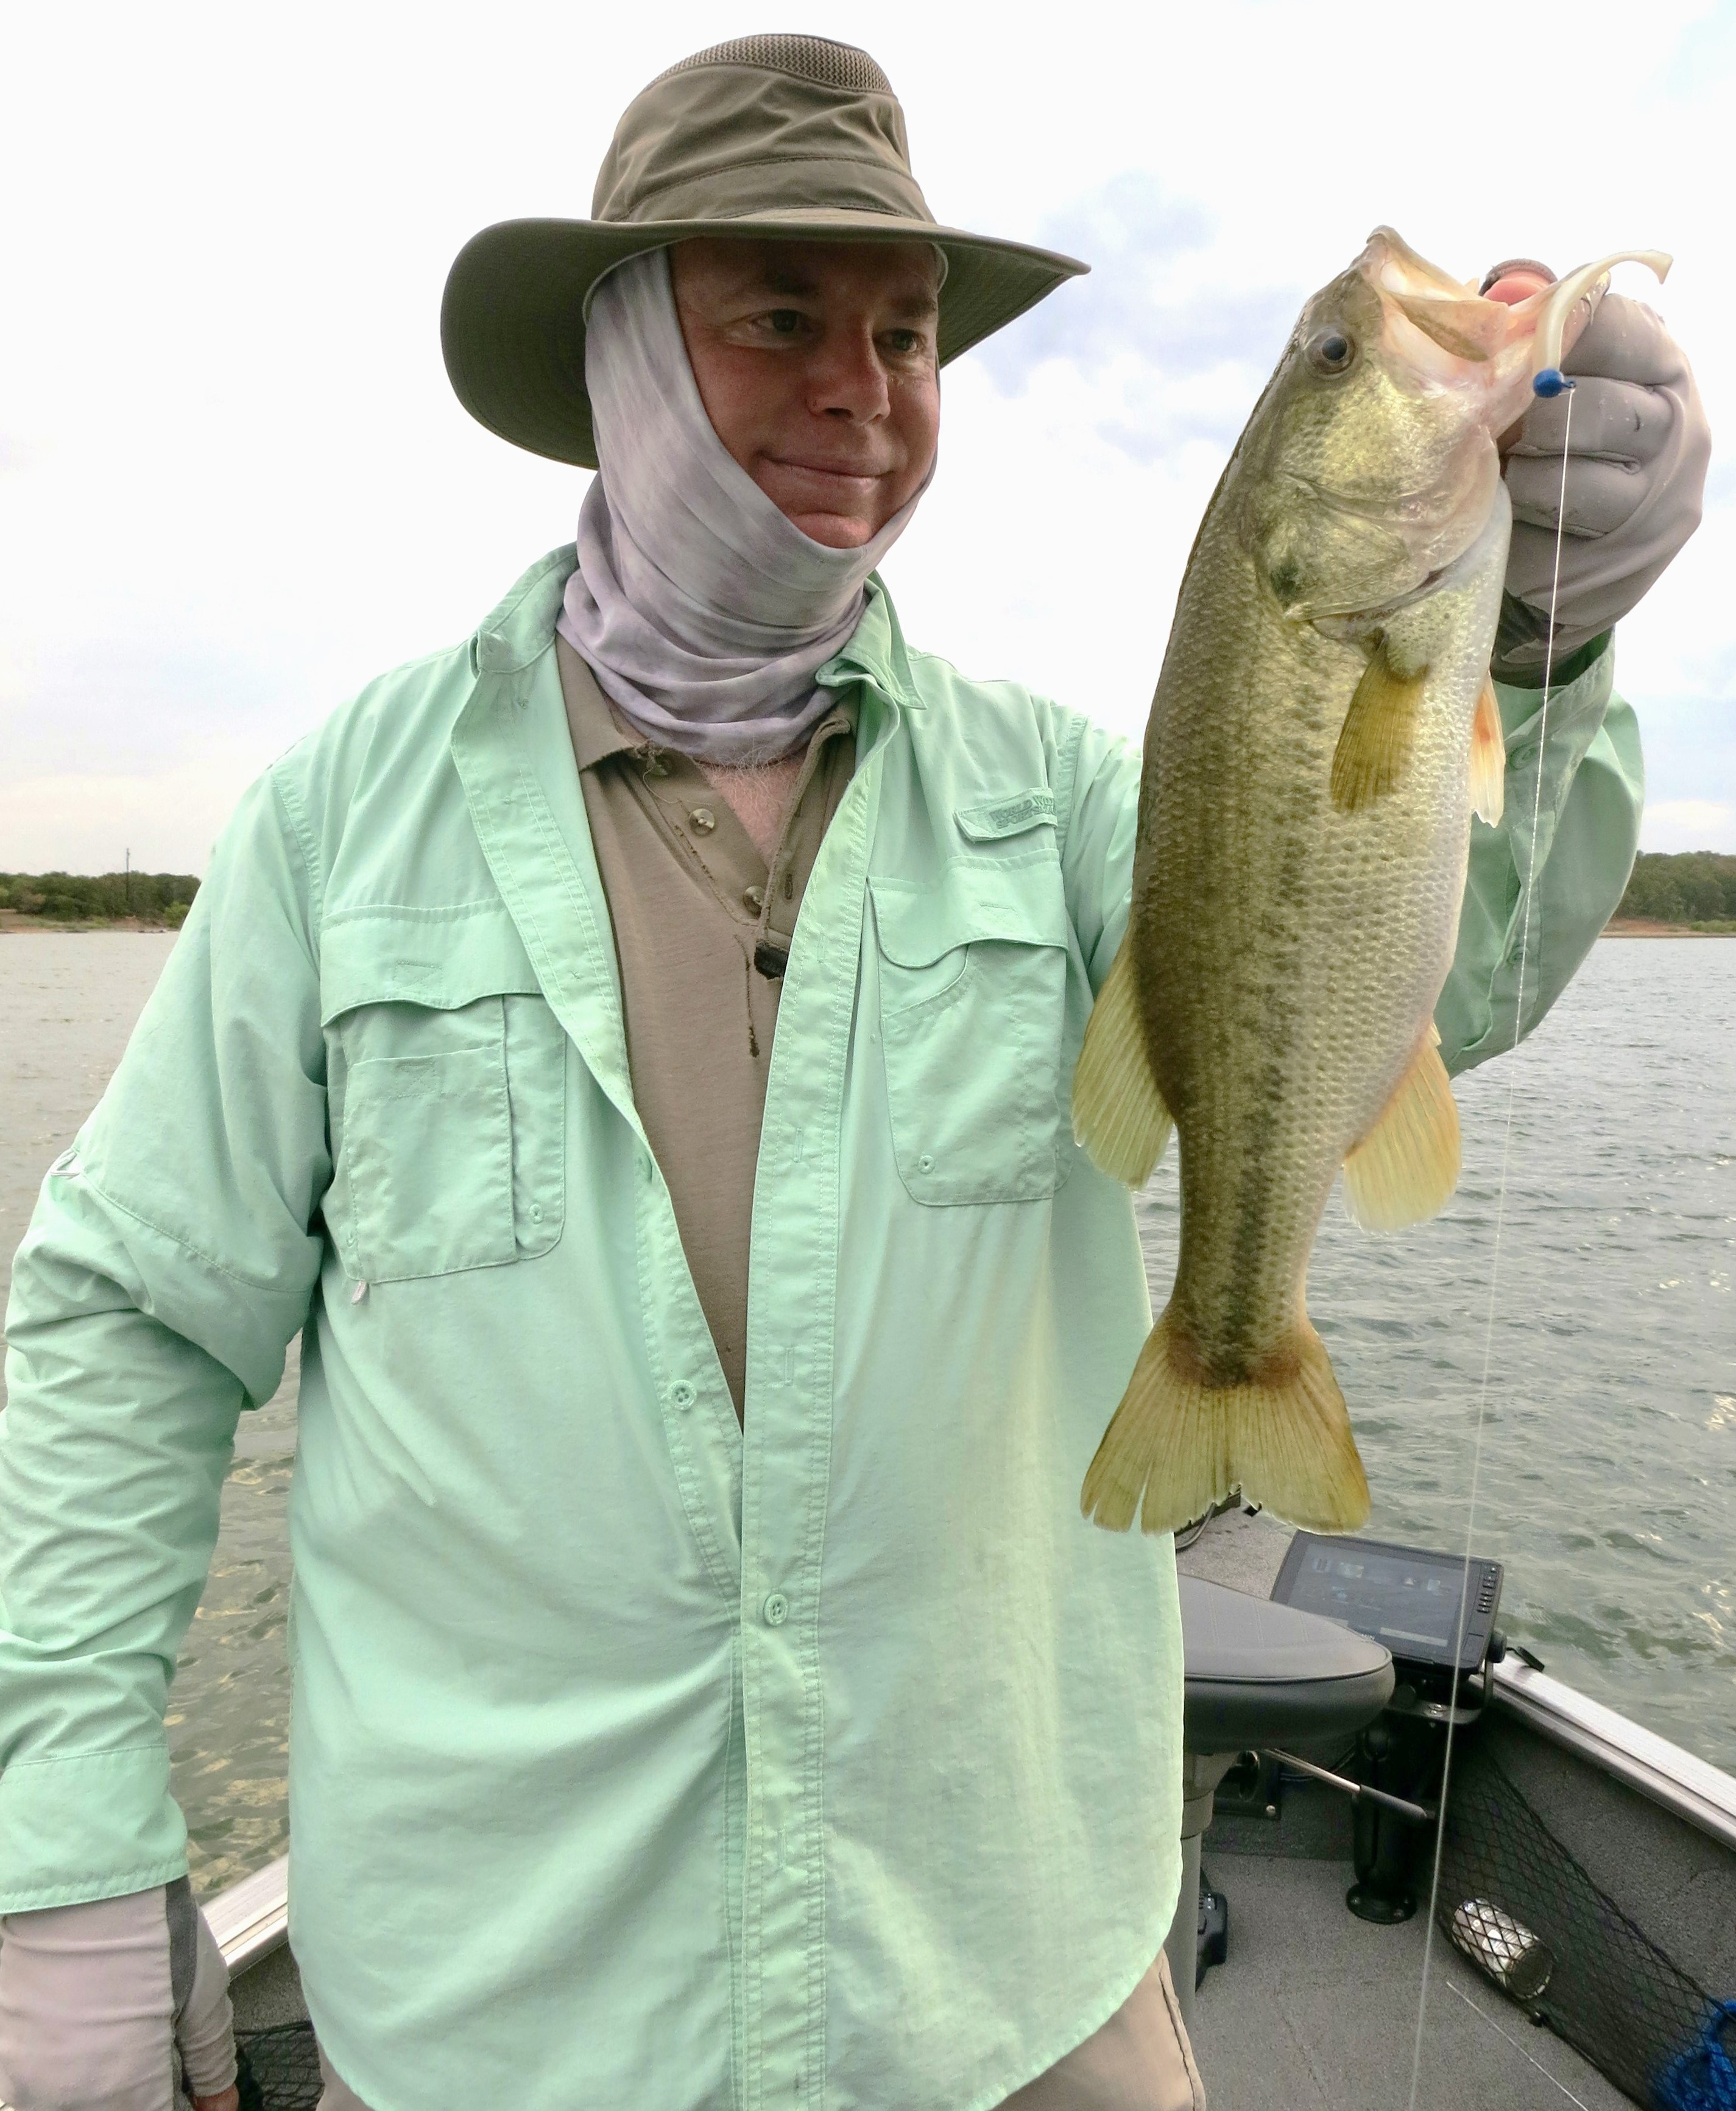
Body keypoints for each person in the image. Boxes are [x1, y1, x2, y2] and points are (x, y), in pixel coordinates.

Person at [0, 33, 1708, 2111]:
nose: (866, 386)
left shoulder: (1077, 796)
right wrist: (64, 1858)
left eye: (907, 332)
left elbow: (1444, 975)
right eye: (781, 318)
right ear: (626, 351)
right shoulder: (332, 826)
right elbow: (121, 1329)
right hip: (502, 2016)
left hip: (1002, 1963)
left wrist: (1546, 646)